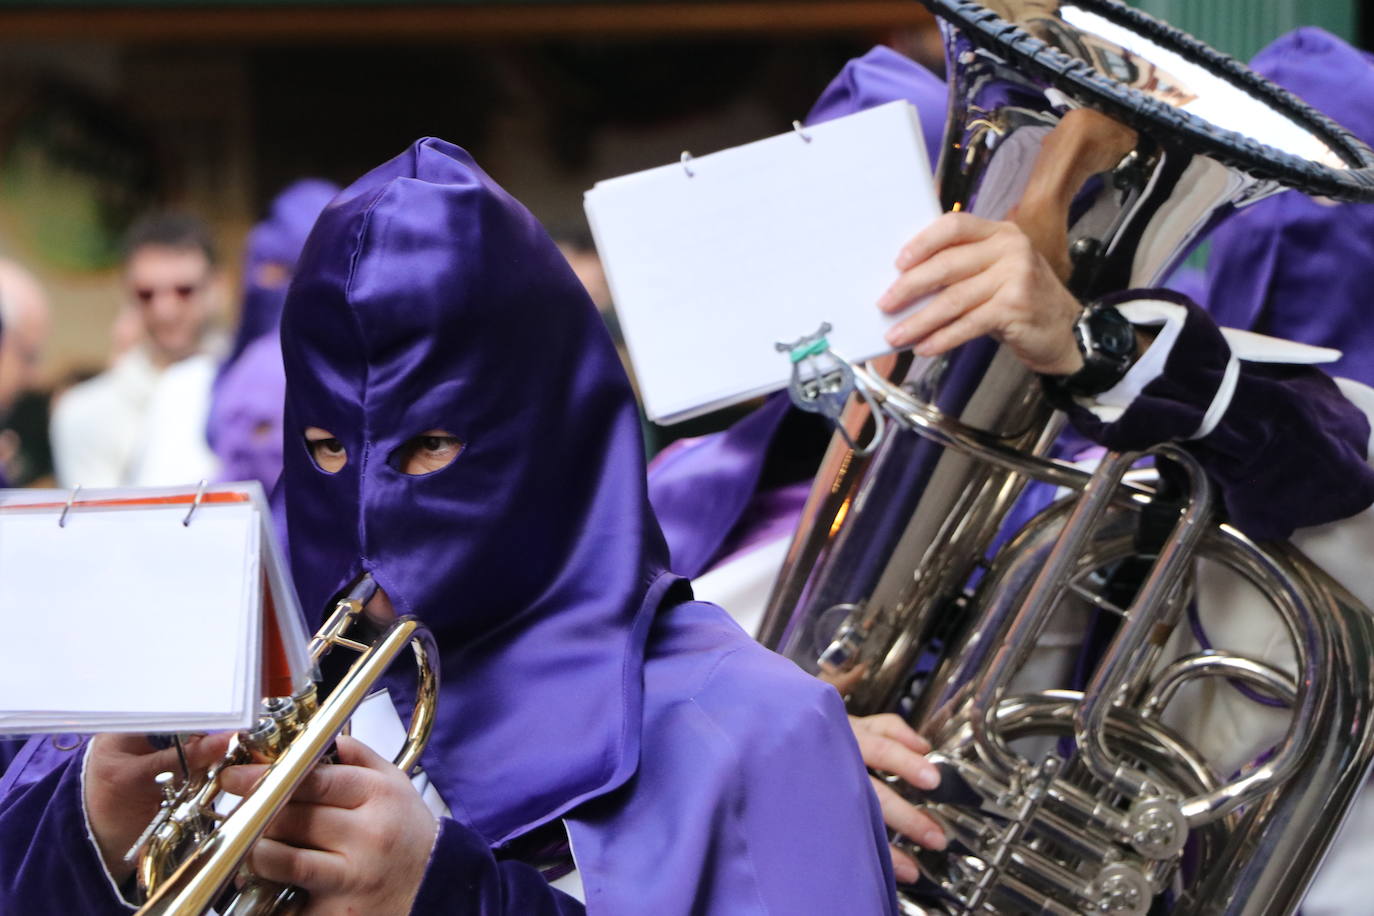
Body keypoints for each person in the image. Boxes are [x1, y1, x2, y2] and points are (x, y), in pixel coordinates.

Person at [0, 138, 897, 914]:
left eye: (429, 446)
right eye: (323, 448)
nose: (368, 512)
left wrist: (451, 900)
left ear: (550, 429)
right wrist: (90, 836)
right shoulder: (208, 688)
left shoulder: (755, 730)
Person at [50, 213, 225, 489]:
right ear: (126, 294)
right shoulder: (83, 413)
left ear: (218, 288)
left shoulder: (249, 393)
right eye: (147, 293)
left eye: (184, 290)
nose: (165, 310)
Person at [208, 179, 339, 490]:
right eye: (265, 271)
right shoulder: (248, 364)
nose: (264, 285)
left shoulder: (268, 365)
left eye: (286, 272)